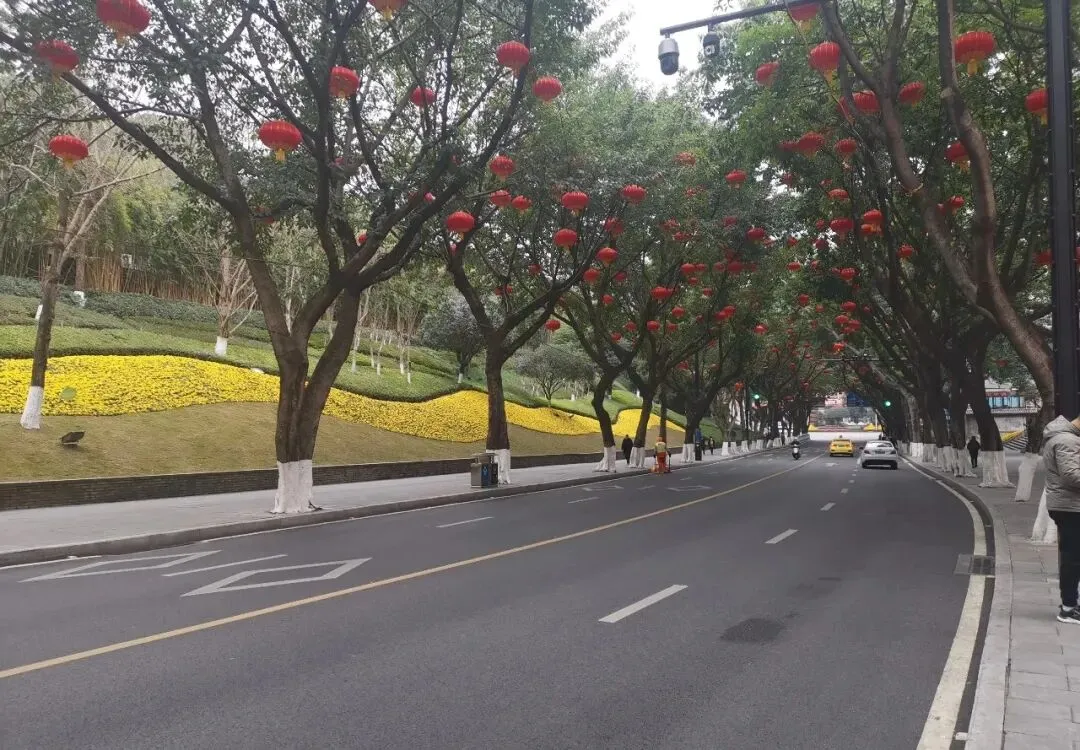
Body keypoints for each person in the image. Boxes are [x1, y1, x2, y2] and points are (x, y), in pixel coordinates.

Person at [1040, 415, 1080, 624]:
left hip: (1067, 505)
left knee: (1072, 556)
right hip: (1071, 507)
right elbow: (1071, 475)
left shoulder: (1064, 437)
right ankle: (1068, 608)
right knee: (1072, 558)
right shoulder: (1067, 440)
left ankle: (1071, 604)